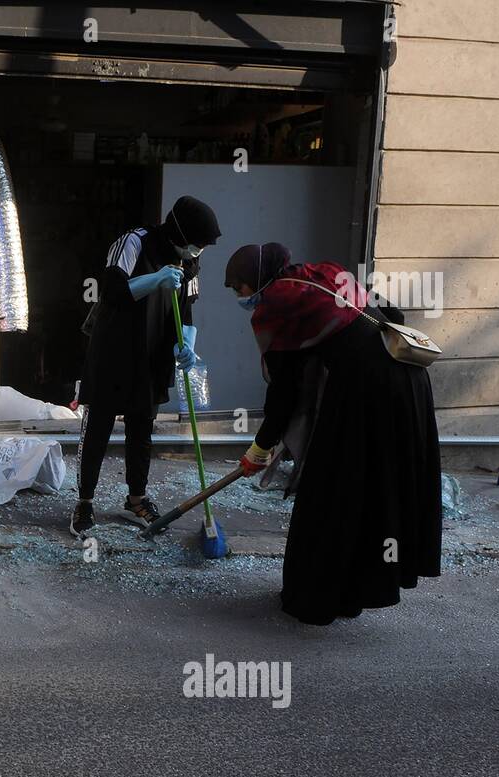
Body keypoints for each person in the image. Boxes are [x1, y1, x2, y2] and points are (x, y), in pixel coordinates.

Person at [224, 242, 441, 626]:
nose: (241, 297)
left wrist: (259, 448)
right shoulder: (320, 274)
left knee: (333, 491)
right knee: (372, 488)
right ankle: (354, 590)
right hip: (407, 377)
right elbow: (389, 311)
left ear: (255, 281)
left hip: (367, 391)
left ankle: (317, 598)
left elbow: (284, 392)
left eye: (238, 288)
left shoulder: (278, 305)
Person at [73, 196, 221, 537]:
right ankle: (84, 502)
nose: (200, 251)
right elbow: (111, 291)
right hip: (114, 351)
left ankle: (136, 499)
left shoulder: (190, 263)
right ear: (181, 232)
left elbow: (187, 312)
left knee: (142, 431)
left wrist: (187, 346)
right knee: (98, 427)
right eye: (198, 243)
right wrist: (154, 279)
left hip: (153, 356)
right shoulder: (133, 242)